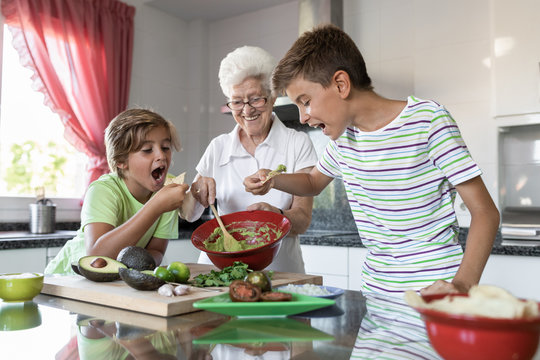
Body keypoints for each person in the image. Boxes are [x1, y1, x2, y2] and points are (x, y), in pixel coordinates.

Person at [243, 25, 500, 295]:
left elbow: (485, 213)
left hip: (436, 292)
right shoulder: (343, 139)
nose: (303, 116)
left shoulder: (427, 121)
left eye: (305, 101)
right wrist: (272, 180)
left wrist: (461, 285)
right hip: (377, 292)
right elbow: (312, 181)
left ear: (341, 84)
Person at [181, 46, 318, 274]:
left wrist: (277, 217)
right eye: (237, 102)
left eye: (255, 99)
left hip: (280, 273)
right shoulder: (218, 147)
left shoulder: (297, 143)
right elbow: (188, 213)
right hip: (221, 272)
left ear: (273, 97)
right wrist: (196, 191)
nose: (247, 110)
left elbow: (303, 219)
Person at [45, 109, 191, 275]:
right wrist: (156, 206)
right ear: (121, 161)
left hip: (116, 282)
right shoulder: (103, 190)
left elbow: (156, 251)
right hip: (68, 279)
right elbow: (97, 257)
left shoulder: (168, 189)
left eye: (165, 147)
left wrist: (135, 272)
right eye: (147, 150)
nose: (161, 155)